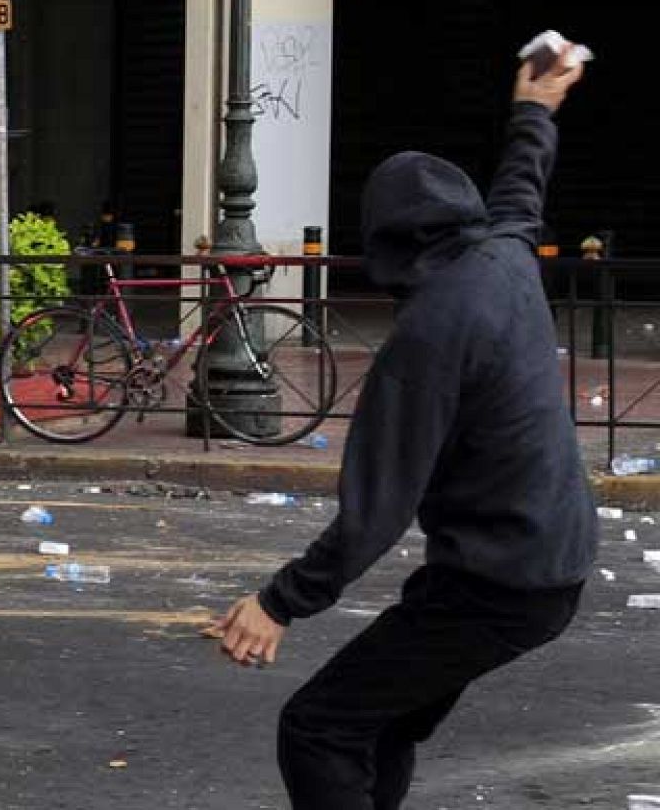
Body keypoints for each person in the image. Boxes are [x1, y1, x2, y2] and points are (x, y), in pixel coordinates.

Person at [207, 46, 595, 808]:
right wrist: (534, 108)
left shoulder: (429, 335)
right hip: (543, 558)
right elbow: (521, 190)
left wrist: (279, 602)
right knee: (381, 721)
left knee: (317, 727)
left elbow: (374, 511)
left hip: (500, 582)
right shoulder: (506, 253)